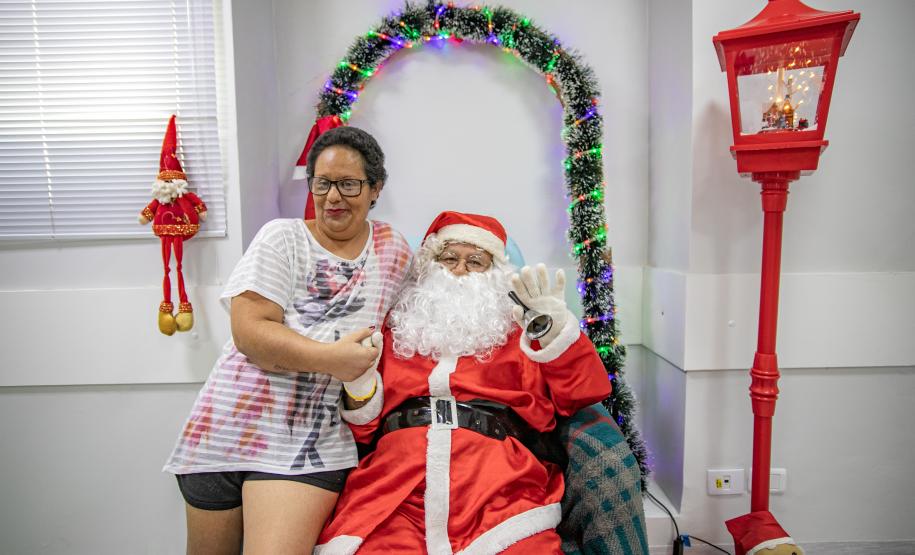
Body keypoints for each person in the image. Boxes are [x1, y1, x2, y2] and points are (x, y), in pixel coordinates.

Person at [163, 126, 412, 555]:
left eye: (349, 184)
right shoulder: (282, 237)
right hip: (221, 428)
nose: (333, 196)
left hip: (307, 444)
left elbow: (431, 307)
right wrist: (332, 359)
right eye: (322, 182)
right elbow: (251, 333)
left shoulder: (394, 250)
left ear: (376, 189)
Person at [315, 211, 612, 554]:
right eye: (449, 258)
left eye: (475, 262)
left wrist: (556, 329)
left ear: (495, 275)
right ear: (430, 265)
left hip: (497, 488)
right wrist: (360, 383)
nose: (458, 270)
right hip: (397, 486)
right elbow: (364, 432)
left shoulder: (521, 332)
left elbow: (585, 392)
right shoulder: (396, 330)